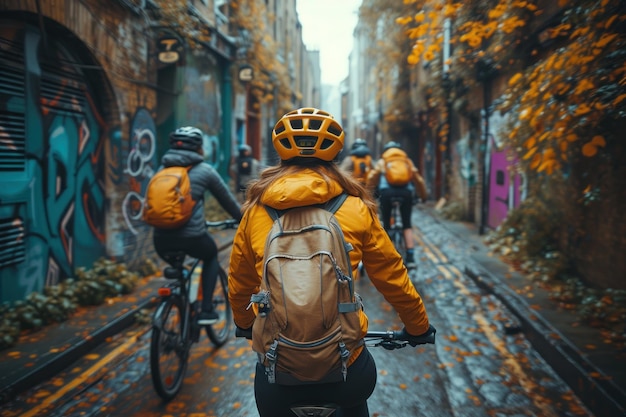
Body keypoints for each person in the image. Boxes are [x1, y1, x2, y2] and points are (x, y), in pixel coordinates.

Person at [228, 108, 434, 417]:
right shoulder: (354, 207)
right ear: (335, 154)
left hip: (277, 377)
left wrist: (244, 324)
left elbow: (239, 283)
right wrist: (417, 327)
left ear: (281, 153)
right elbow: (392, 276)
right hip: (347, 373)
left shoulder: (257, 211)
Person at [152, 126, 242, 325]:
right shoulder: (205, 171)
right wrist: (243, 219)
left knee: (180, 266)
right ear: (200, 148)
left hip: (160, 239)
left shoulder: (161, 170)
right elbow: (228, 202)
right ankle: (206, 310)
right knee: (210, 256)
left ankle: (180, 296)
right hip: (192, 238)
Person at [366, 141, 428, 269]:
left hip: (387, 193)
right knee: (407, 225)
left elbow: (373, 176)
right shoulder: (406, 161)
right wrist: (423, 196)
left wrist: (368, 193)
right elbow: (418, 179)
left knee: (386, 225)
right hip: (406, 193)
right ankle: (410, 257)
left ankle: (387, 256)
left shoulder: (384, 160)